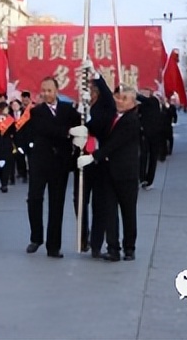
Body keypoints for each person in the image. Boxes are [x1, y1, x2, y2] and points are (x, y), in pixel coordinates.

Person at [23, 76, 81, 258]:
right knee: (34, 199)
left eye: (49, 90)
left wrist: (82, 110)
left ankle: (53, 246)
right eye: (44, 90)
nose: (46, 94)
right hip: (40, 162)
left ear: (57, 91)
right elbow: (45, 128)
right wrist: (67, 132)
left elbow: (79, 124)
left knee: (57, 204)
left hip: (60, 163)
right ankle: (36, 237)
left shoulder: (68, 109)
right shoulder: (37, 111)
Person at [87, 86, 141, 262]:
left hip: (126, 173)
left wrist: (94, 156)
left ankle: (129, 248)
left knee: (128, 212)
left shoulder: (131, 120)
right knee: (110, 211)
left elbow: (115, 143)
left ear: (133, 103)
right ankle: (112, 248)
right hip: (108, 172)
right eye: (118, 96)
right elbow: (99, 130)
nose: (120, 100)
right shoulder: (111, 116)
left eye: (125, 98)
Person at [76, 63, 114, 258]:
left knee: (100, 203)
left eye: (91, 89)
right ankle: (83, 237)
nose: (88, 93)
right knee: (80, 200)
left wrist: (95, 74)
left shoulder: (105, 106)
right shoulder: (81, 107)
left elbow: (99, 126)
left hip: (98, 160)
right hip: (81, 160)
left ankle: (97, 243)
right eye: (86, 89)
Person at [136, 90, 163, 189]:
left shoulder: (154, 101)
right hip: (145, 134)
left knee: (152, 158)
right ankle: (142, 178)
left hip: (155, 134)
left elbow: (142, 99)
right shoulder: (143, 105)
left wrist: (133, 94)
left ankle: (149, 181)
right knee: (143, 156)